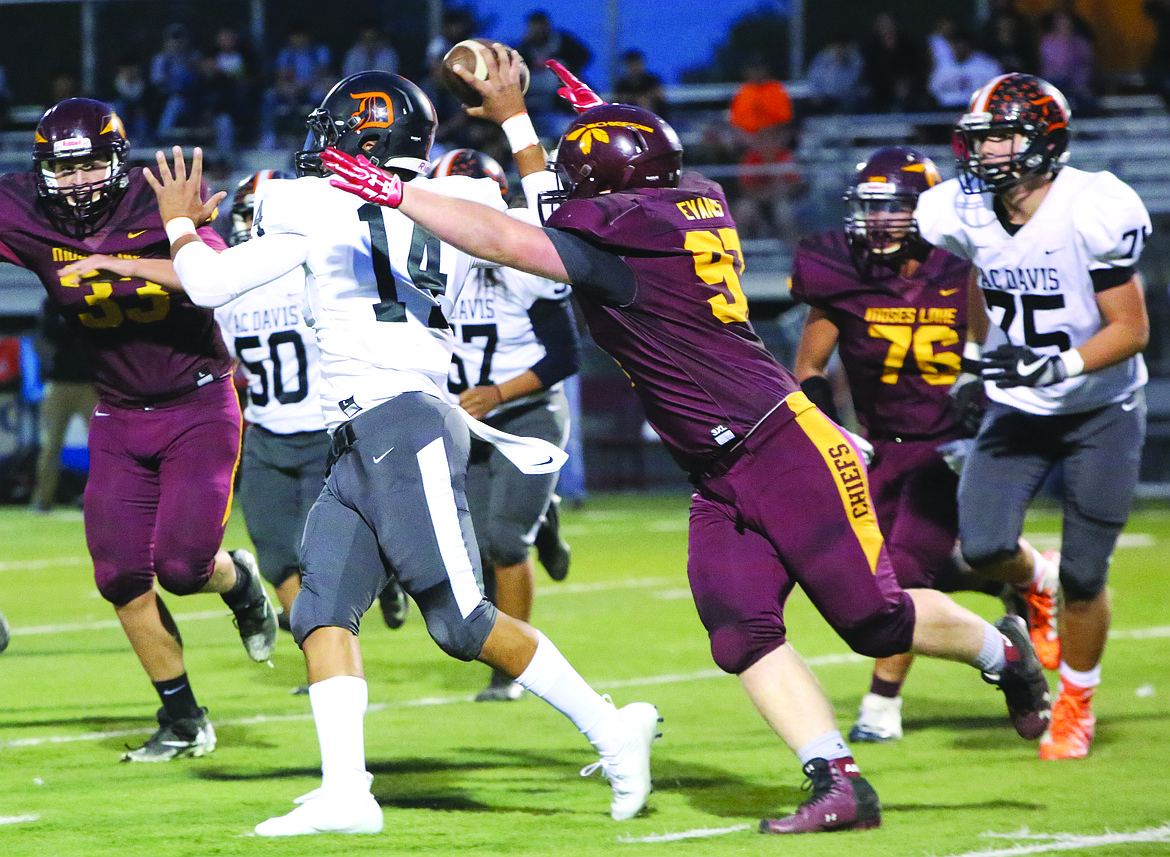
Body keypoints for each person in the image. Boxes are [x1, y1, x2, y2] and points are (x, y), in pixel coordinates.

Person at [322, 47, 1052, 834]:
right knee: (739, 627)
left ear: (611, 194)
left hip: (783, 447)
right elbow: (560, 208)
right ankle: (838, 780)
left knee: (873, 620)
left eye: (581, 177)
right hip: (718, 468)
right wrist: (560, 122)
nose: (566, 190)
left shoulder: (629, 248)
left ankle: (1003, 651)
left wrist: (400, 190)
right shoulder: (680, 204)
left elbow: (511, 238)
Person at [147, 69, 660, 835]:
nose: (318, 141)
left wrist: (180, 221)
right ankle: (347, 791)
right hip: (364, 427)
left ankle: (613, 728)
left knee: (459, 621)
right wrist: (519, 125)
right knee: (320, 608)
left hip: (403, 420)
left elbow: (208, 282)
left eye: (333, 127)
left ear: (358, 136)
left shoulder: (311, 204)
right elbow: (557, 219)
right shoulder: (456, 200)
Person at [0, 97, 277, 761]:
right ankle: (183, 719)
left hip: (198, 403)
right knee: (120, 574)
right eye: (62, 171)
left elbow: (212, 281)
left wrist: (122, 263)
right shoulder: (21, 206)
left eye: (91, 164)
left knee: (182, 568)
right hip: (118, 411)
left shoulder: (164, 196)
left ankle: (236, 579)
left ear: (119, 160)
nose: (76, 183)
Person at [790, 145, 1059, 744]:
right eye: (869, 207)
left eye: (893, 208)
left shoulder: (963, 263)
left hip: (959, 445)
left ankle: (881, 705)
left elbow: (1007, 346)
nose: (878, 221)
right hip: (880, 448)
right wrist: (832, 429)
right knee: (879, 574)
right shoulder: (845, 272)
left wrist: (988, 389)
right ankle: (1009, 583)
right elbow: (808, 365)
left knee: (904, 575)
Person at [919, 73, 1151, 760]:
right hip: (1019, 406)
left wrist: (1061, 365)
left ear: (1042, 140)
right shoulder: (965, 208)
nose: (985, 151)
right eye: (979, 137)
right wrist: (969, 358)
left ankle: (1076, 699)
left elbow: (1132, 327)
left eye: (999, 136)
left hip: (1100, 407)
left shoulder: (1092, 207)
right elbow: (984, 270)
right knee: (983, 546)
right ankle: (1034, 581)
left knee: (1087, 571)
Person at [430, 147, 581, 701]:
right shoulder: (422, 264)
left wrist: (496, 394)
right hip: (465, 418)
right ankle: (543, 518)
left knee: (501, 539)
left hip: (526, 413)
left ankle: (515, 672)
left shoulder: (520, 264)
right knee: (471, 546)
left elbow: (565, 354)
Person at [30, 297, 98, 512]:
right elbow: (48, 335)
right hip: (59, 383)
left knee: (102, 445)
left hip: (91, 384)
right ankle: (42, 500)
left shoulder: (93, 299)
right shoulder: (52, 302)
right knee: (50, 445)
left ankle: (100, 499)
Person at [928, 27, 1004, 109]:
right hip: (944, 111)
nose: (957, 48)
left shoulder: (988, 66)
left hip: (975, 110)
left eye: (960, 44)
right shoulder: (943, 66)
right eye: (954, 44)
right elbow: (933, 90)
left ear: (968, 45)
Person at [613, 49, 668, 117]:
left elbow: (659, 94)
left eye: (637, 64)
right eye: (631, 65)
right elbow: (619, 100)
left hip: (656, 118)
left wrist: (646, 99)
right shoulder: (622, 84)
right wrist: (636, 100)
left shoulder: (652, 80)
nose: (635, 68)